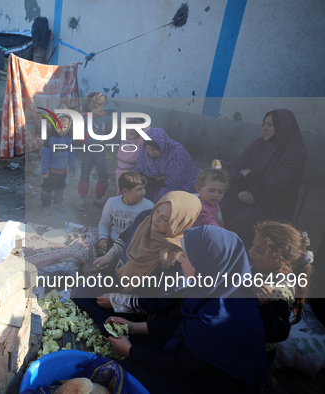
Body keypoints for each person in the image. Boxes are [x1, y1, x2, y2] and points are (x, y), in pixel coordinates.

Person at [105, 225, 267, 393]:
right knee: (134, 343)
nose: (179, 259)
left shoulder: (215, 317)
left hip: (215, 383)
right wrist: (134, 327)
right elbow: (176, 321)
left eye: (185, 255)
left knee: (118, 370)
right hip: (194, 364)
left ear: (205, 262)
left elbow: (178, 366)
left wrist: (130, 351)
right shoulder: (217, 286)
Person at [73, 191, 200, 332]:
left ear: (180, 223)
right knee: (82, 290)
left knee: (114, 326)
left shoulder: (178, 259)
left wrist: (117, 301)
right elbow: (126, 236)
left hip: (138, 304)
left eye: (165, 218)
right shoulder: (145, 217)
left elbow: (160, 301)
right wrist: (110, 256)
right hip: (118, 280)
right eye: (157, 210)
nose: (156, 218)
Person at [221, 109, 307, 248]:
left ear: (283, 127)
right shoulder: (259, 144)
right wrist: (241, 190)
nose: (264, 128)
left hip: (271, 208)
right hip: (246, 198)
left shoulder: (296, 153)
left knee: (242, 220)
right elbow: (234, 166)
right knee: (218, 207)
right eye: (264, 124)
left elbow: (278, 182)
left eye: (270, 125)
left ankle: (237, 260)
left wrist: (249, 175)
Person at [249, 221, 314, 389]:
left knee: (261, 377)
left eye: (259, 250)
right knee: (266, 373)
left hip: (260, 349)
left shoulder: (276, 292)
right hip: (260, 346)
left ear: (281, 259)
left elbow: (278, 331)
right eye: (252, 245)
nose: (250, 251)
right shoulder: (264, 268)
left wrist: (264, 307)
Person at [134, 128, 199, 203]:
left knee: (164, 197)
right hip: (155, 182)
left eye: (154, 149)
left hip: (181, 184)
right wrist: (147, 181)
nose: (150, 152)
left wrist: (151, 182)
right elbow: (139, 170)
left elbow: (175, 180)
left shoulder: (177, 152)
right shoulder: (144, 150)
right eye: (148, 148)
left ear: (161, 145)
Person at [97, 170, 154, 254]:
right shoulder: (112, 202)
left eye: (144, 188)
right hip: (113, 242)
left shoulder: (148, 206)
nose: (143, 193)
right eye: (139, 189)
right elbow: (104, 223)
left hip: (134, 246)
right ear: (125, 192)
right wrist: (103, 238)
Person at [77, 92, 112, 211]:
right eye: (100, 105)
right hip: (88, 154)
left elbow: (107, 131)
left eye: (103, 105)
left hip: (100, 153)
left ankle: (98, 199)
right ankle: (82, 200)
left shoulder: (105, 117)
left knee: (104, 175)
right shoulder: (84, 118)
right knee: (85, 175)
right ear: (91, 106)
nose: (102, 108)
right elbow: (82, 137)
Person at [40, 114, 76, 214]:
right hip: (51, 171)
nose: (62, 129)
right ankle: (46, 205)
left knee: (60, 189)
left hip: (63, 170)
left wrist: (72, 169)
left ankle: (58, 203)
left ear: (68, 127)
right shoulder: (50, 139)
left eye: (64, 127)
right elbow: (44, 156)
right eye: (59, 126)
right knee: (47, 189)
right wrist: (44, 170)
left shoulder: (69, 139)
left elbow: (72, 155)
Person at [115, 124, 147, 195]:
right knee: (120, 188)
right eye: (127, 132)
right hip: (119, 169)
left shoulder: (138, 141)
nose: (128, 135)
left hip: (130, 171)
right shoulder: (125, 137)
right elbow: (126, 120)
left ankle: (129, 203)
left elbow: (146, 132)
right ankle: (120, 202)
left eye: (131, 134)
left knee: (129, 189)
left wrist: (145, 122)